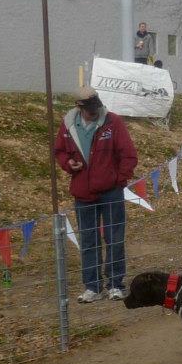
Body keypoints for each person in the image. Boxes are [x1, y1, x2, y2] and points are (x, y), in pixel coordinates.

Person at [54, 85, 138, 302]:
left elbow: (128, 154)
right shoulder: (67, 125)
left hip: (111, 192)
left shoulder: (113, 122)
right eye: (90, 109)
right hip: (83, 192)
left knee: (114, 238)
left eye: (96, 107)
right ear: (79, 107)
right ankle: (92, 286)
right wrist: (67, 163)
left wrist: (119, 180)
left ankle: (115, 284)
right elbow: (59, 151)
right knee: (89, 240)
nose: (95, 112)